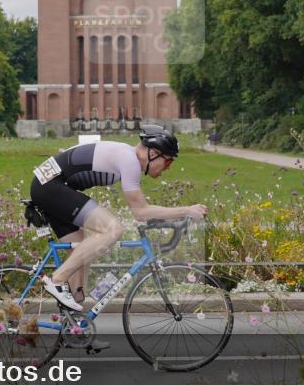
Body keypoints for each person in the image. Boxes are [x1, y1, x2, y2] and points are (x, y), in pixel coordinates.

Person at [29, 125, 207, 315]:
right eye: (168, 161)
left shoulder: (125, 155)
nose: (168, 168)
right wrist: (187, 210)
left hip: (49, 185)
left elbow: (142, 211)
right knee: (113, 229)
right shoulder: (129, 160)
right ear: (154, 153)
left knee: (81, 253)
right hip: (50, 186)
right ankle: (57, 281)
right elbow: (140, 211)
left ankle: (74, 324)